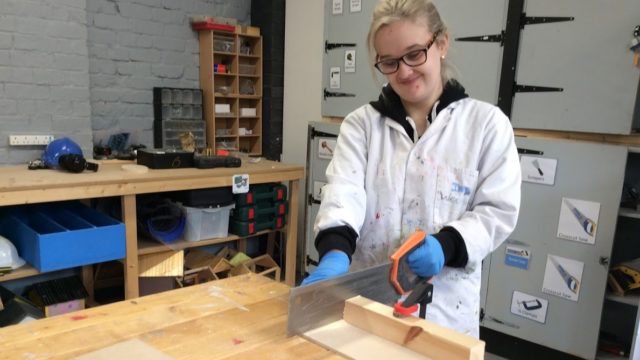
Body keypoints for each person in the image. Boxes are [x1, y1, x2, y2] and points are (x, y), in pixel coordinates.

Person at [301, 0, 521, 338]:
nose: (404, 72)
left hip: (445, 311)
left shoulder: (486, 125)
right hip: (367, 303)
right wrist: (333, 254)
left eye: (415, 53)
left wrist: (446, 244)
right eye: (389, 62)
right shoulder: (361, 126)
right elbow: (343, 192)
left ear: (442, 44)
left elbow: (497, 211)